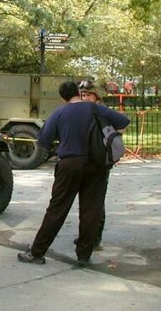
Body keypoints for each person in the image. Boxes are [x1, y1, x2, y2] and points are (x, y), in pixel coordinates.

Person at [17, 81, 130, 266]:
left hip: (69, 164)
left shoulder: (60, 113)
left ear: (63, 98)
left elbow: (43, 140)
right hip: (97, 165)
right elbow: (123, 122)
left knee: (57, 208)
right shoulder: (95, 109)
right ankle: (84, 256)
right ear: (79, 92)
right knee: (91, 209)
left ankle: (37, 253)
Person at [77, 80, 107, 250]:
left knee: (97, 203)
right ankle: (86, 236)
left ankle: (95, 238)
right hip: (83, 160)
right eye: (83, 94)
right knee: (85, 201)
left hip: (99, 163)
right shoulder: (81, 112)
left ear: (97, 97)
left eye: (88, 95)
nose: (85, 97)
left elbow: (120, 127)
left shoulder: (103, 112)